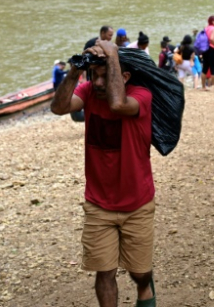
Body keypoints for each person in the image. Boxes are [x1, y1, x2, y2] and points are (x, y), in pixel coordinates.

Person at [50, 39, 157, 307]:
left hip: (137, 204)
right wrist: (74, 71)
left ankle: (145, 285)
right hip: (98, 204)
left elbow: (118, 105)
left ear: (124, 76)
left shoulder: (141, 96)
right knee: (104, 272)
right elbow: (58, 107)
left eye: (104, 76)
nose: (97, 83)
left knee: (139, 274)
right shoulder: (87, 92)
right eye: (93, 76)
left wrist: (111, 55)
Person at [202, 15, 214, 91]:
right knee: (213, 67)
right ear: (213, 22)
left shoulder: (206, 28)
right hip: (212, 49)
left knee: (205, 67)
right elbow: (212, 38)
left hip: (205, 49)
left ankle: (203, 86)